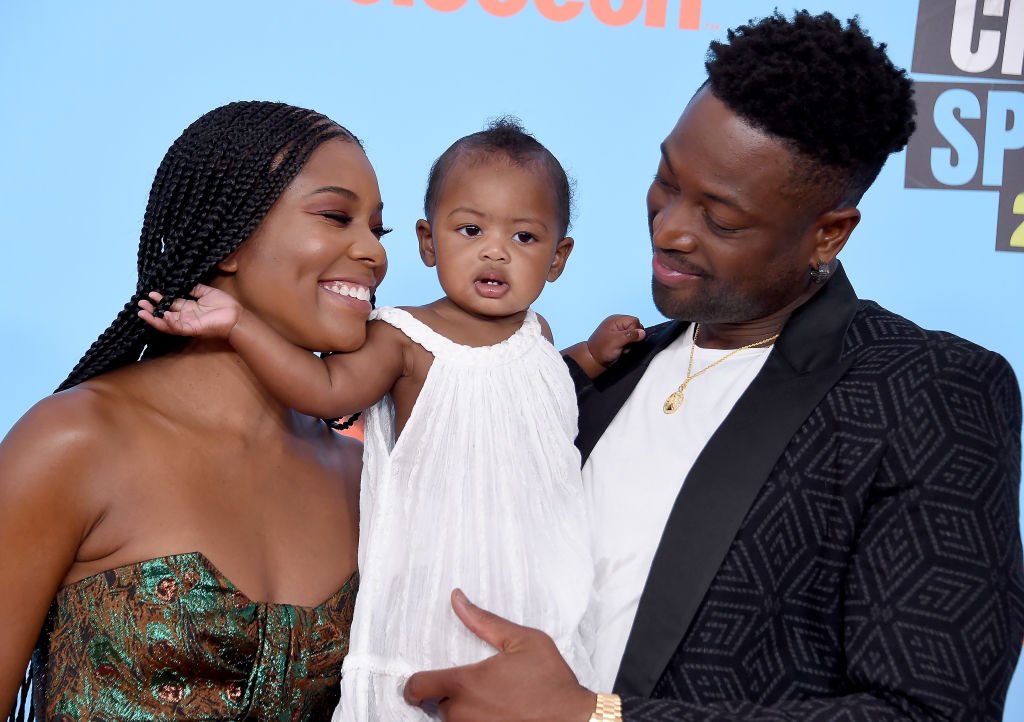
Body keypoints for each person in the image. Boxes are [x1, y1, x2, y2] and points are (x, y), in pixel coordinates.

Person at [401, 11, 1024, 722]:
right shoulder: (607, 367)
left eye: (721, 218)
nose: (669, 228)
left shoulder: (924, 391)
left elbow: (928, 712)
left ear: (829, 233)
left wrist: (592, 717)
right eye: (667, 180)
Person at [138, 118, 642, 721]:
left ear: (558, 258)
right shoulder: (402, 339)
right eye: (471, 229)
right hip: (440, 591)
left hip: (542, 587)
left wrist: (590, 357)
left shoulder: (538, 336)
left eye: (526, 238)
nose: (495, 250)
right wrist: (239, 325)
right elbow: (324, 389)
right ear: (429, 243)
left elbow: (533, 389)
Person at [0, 101, 386, 721]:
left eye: (377, 229)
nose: (372, 252)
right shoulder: (75, 441)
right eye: (337, 217)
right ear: (230, 238)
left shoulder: (368, 479)